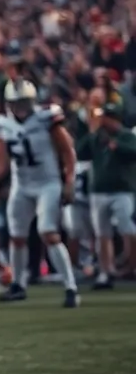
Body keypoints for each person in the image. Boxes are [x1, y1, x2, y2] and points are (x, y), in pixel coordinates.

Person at [0, 79, 79, 307]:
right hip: (21, 184)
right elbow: (1, 153)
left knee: (48, 232)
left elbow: (67, 150)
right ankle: (18, 285)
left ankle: (70, 287)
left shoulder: (47, 118)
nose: (21, 107)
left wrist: (69, 179)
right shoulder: (4, 123)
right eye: (16, 103)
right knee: (17, 236)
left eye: (24, 102)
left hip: (48, 182)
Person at [76, 102, 136, 288]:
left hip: (122, 189)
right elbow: (79, 152)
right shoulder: (97, 137)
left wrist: (116, 146)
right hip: (98, 190)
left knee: (128, 228)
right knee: (103, 234)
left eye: (106, 117)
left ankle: (131, 266)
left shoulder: (126, 136)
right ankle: (105, 271)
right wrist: (92, 133)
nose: (102, 120)